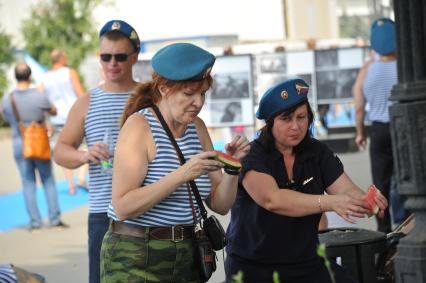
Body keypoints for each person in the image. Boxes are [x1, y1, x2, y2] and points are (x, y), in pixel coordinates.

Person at [100, 42, 250, 282]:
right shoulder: (140, 126)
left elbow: (220, 205)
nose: (198, 103)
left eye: (202, 94)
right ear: (164, 88)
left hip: (187, 256)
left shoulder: (197, 128)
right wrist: (182, 174)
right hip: (134, 256)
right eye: (189, 94)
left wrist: (232, 168)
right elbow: (123, 206)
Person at [225, 78, 388, 283]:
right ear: (270, 123)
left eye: (302, 117)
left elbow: (345, 189)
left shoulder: (317, 152)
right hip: (253, 266)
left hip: (305, 262)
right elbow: (273, 200)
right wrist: (329, 203)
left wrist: (366, 201)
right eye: (286, 119)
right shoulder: (252, 155)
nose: (296, 126)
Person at [53, 20, 141, 283]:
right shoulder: (86, 102)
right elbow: (61, 151)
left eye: (120, 57)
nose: (112, 63)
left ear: (134, 57)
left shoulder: (150, 98)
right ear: (99, 58)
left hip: (149, 209)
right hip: (104, 212)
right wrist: (84, 155)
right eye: (106, 57)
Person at [353, 18, 408, 233]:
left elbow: (358, 106)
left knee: (381, 183)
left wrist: (360, 133)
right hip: (403, 126)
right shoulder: (406, 67)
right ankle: (405, 225)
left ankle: (384, 231)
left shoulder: (367, 70)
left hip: (379, 131)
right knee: (405, 178)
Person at [1, 63, 67, 231]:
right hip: (39, 143)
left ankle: (35, 222)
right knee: (48, 180)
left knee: (28, 182)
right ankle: (54, 219)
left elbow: (5, 115)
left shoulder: (7, 99)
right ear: (30, 76)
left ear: (16, 77)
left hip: (19, 144)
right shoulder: (38, 95)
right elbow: (53, 111)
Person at [39, 49, 87, 195]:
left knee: (64, 149)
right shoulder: (69, 72)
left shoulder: (44, 77)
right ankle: (82, 177)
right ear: (63, 59)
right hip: (74, 117)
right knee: (88, 146)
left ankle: (71, 185)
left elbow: (41, 96)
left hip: (56, 119)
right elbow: (81, 95)